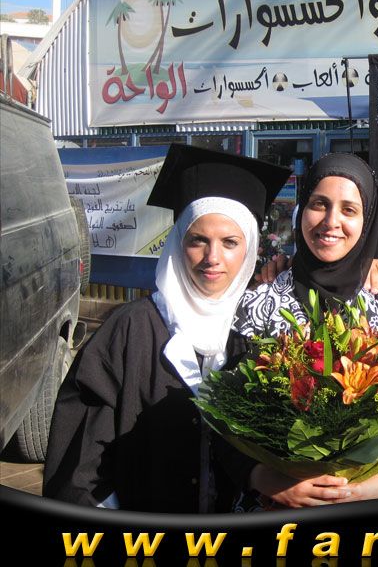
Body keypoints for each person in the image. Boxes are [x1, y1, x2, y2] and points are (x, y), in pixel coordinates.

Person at [43, 143, 292, 512]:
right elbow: (80, 469)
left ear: (250, 249)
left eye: (230, 242)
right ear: (178, 243)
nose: (212, 258)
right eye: (198, 240)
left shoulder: (258, 336)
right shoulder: (130, 330)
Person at [233, 152, 378, 506]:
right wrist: (265, 478)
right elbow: (228, 411)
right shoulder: (258, 301)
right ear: (302, 209)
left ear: (367, 221)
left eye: (349, 210)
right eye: (319, 204)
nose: (331, 222)